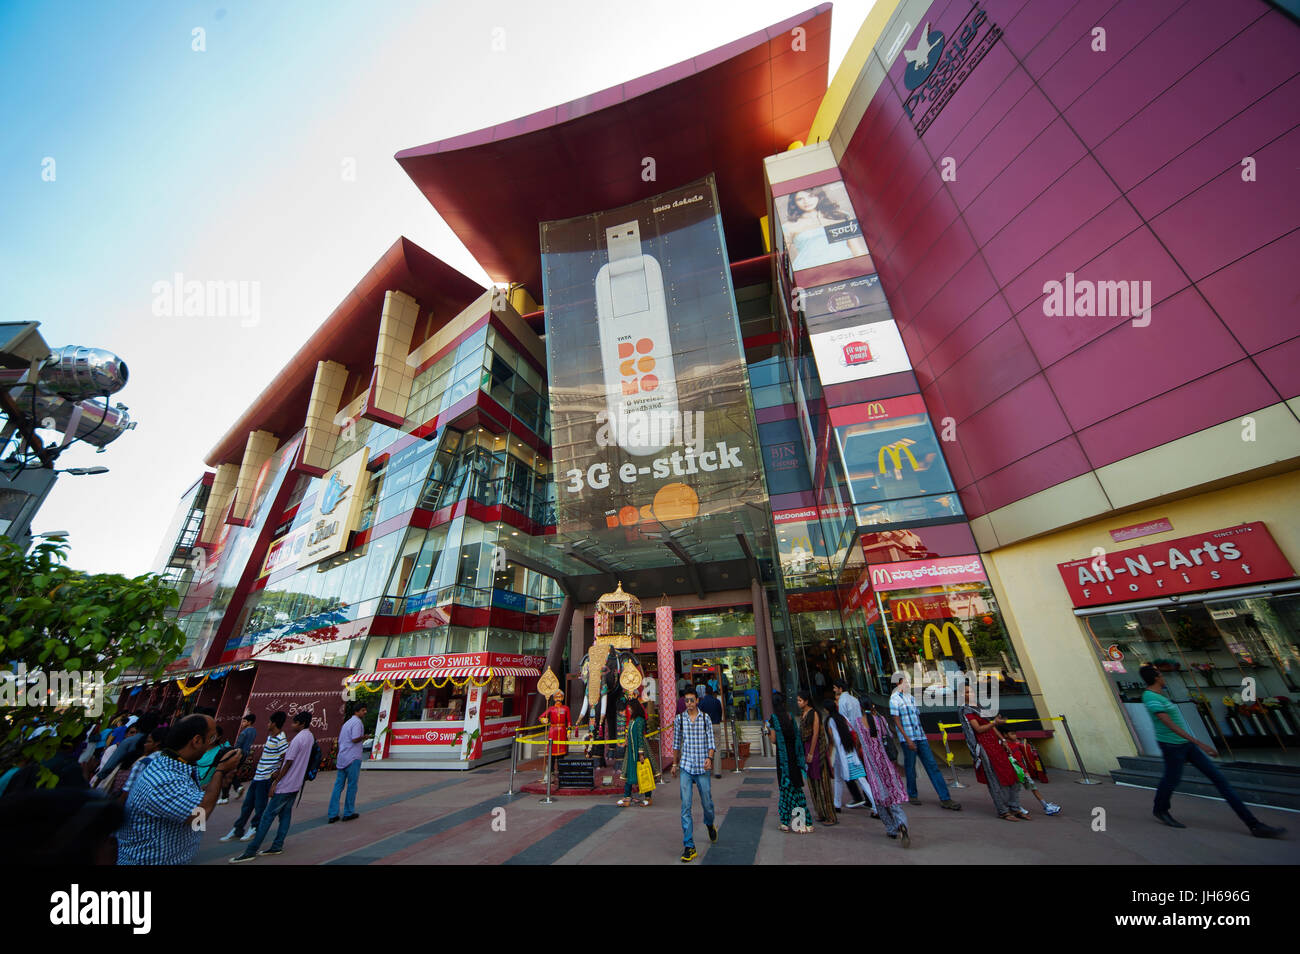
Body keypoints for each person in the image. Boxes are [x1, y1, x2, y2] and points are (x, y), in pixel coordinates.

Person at [1140, 665, 1285, 837]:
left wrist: (1192, 743)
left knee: (1219, 780)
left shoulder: (1159, 695)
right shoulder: (1150, 697)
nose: (1164, 678)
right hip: (1172, 746)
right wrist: (1199, 743)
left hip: (1185, 745)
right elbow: (1168, 724)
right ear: (1156, 677)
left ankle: (1254, 825)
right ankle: (1160, 809)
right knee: (1171, 780)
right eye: (1161, 674)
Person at [116, 714, 242, 865]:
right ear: (196, 741)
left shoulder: (174, 766)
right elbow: (199, 816)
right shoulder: (163, 779)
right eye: (211, 738)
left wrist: (218, 780)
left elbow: (189, 797)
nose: (213, 744)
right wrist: (220, 771)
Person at [231, 710, 315, 861]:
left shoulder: (297, 739)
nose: (292, 725)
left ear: (302, 723)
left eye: (295, 722)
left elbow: (288, 761)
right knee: (285, 815)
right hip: (296, 783)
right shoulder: (310, 736)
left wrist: (276, 782)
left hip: (286, 784)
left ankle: (251, 850)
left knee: (267, 817)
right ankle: (277, 845)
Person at [889, 672, 961, 810]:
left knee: (932, 766)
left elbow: (917, 718)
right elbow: (896, 721)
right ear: (899, 684)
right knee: (910, 767)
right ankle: (912, 794)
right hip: (908, 738)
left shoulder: (910, 698)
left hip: (920, 736)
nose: (908, 684)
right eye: (905, 682)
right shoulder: (894, 699)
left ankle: (945, 797)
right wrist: (907, 738)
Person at [957, 685, 1025, 821]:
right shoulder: (965, 710)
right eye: (966, 692)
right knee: (994, 779)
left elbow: (991, 726)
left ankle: (1015, 806)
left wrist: (1002, 740)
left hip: (995, 745)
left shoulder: (979, 707)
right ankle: (1003, 810)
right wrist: (994, 722)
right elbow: (979, 729)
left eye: (970, 690)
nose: (969, 693)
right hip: (983, 747)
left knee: (1011, 774)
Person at [222, 711, 287, 843]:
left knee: (260, 805)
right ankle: (238, 828)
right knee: (247, 804)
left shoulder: (281, 738)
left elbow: (285, 757)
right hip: (258, 776)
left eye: (269, 722)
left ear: (274, 723)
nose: (267, 724)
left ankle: (255, 827)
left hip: (266, 777)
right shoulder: (270, 736)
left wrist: (277, 774)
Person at [672, 688, 717, 862]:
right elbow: (676, 743)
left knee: (707, 802)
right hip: (686, 766)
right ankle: (689, 845)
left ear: (697, 700)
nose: (689, 704)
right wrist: (675, 764)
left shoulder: (705, 719)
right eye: (686, 701)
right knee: (685, 806)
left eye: (691, 700)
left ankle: (709, 823)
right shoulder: (679, 720)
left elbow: (711, 741)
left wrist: (710, 758)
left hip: (702, 767)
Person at [857, 701, 911, 845]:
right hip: (887, 763)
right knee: (893, 795)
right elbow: (889, 738)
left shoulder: (857, 723)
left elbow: (858, 743)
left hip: (872, 765)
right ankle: (902, 823)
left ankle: (891, 829)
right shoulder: (881, 720)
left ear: (860, 708)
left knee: (880, 798)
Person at [768, 692, 811, 832]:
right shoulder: (790, 716)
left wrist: (768, 732)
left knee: (788, 790)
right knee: (794, 788)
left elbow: (773, 740)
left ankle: (801, 823)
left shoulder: (773, 719)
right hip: (793, 756)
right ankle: (786, 822)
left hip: (783, 759)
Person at [797, 690, 836, 825]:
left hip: (816, 751)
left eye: (800, 700)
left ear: (807, 701)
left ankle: (830, 815)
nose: (798, 703)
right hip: (806, 749)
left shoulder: (814, 713)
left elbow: (815, 734)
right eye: (798, 700)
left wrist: (812, 752)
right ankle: (820, 812)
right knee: (812, 783)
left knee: (823, 783)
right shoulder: (803, 714)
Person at [1003, 728, 1060, 816]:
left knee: (1033, 787)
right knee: (1015, 791)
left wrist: (1026, 770)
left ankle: (1045, 805)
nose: (1015, 735)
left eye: (1015, 733)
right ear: (1006, 735)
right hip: (1014, 771)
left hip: (1022, 770)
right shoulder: (1006, 746)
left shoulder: (1016, 744)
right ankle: (1016, 807)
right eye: (1012, 733)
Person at [822, 701, 868, 811]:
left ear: (827, 710)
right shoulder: (843, 718)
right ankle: (836, 804)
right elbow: (853, 733)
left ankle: (876, 808)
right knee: (840, 779)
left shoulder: (830, 721)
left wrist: (829, 757)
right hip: (849, 752)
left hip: (845, 755)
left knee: (861, 780)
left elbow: (833, 741)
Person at [329, 701, 368, 822]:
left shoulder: (347, 723)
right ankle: (348, 812)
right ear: (357, 711)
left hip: (342, 757)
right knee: (352, 786)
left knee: (338, 786)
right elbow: (355, 738)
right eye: (363, 710)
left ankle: (332, 813)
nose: (365, 712)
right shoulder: (357, 722)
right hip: (352, 757)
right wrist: (364, 737)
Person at [109, 726, 166, 802]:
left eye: (148, 742)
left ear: (157, 744)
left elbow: (127, 791)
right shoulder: (165, 762)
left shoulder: (145, 761)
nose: (145, 745)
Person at [617, 698, 652, 807]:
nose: (629, 710)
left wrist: (641, 753)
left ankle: (648, 797)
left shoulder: (640, 720)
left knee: (643, 774)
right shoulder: (632, 720)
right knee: (629, 773)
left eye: (630, 708)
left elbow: (640, 737)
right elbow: (629, 733)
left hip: (638, 750)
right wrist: (626, 740)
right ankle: (627, 796)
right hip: (631, 750)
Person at [539, 690, 570, 782]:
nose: (558, 699)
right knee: (552, 753)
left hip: (562, 731)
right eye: (556, 697)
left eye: (560, 697)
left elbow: (569, 721)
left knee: (561, 753)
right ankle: (551, 771)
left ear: (563, 698)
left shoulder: (566, 708)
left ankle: (561, 770)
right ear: (553, 698)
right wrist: (543, 720)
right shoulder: (551, 709)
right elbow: (541, 717)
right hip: (553, 731)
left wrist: (569, 731)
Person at [226, 713, 257, 801]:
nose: (242, 723)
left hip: (239, 753)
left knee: (230, 772)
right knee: (233, 772)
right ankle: (237, 787)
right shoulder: (254, 731)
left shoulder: (244, 732)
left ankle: (234, 789)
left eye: (244, 721)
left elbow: (238, 745)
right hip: (246, 753)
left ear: (249, 722)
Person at [698, 685, 724, 778]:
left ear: (705, 692)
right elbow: (720, 712)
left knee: (705, 748)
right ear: (712, 692)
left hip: (705, 727)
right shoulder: (717, 701)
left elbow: (699, 715)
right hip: (716, 725)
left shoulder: (702, 702)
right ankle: (717, 772)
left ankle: (706, 769)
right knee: (717, 748)